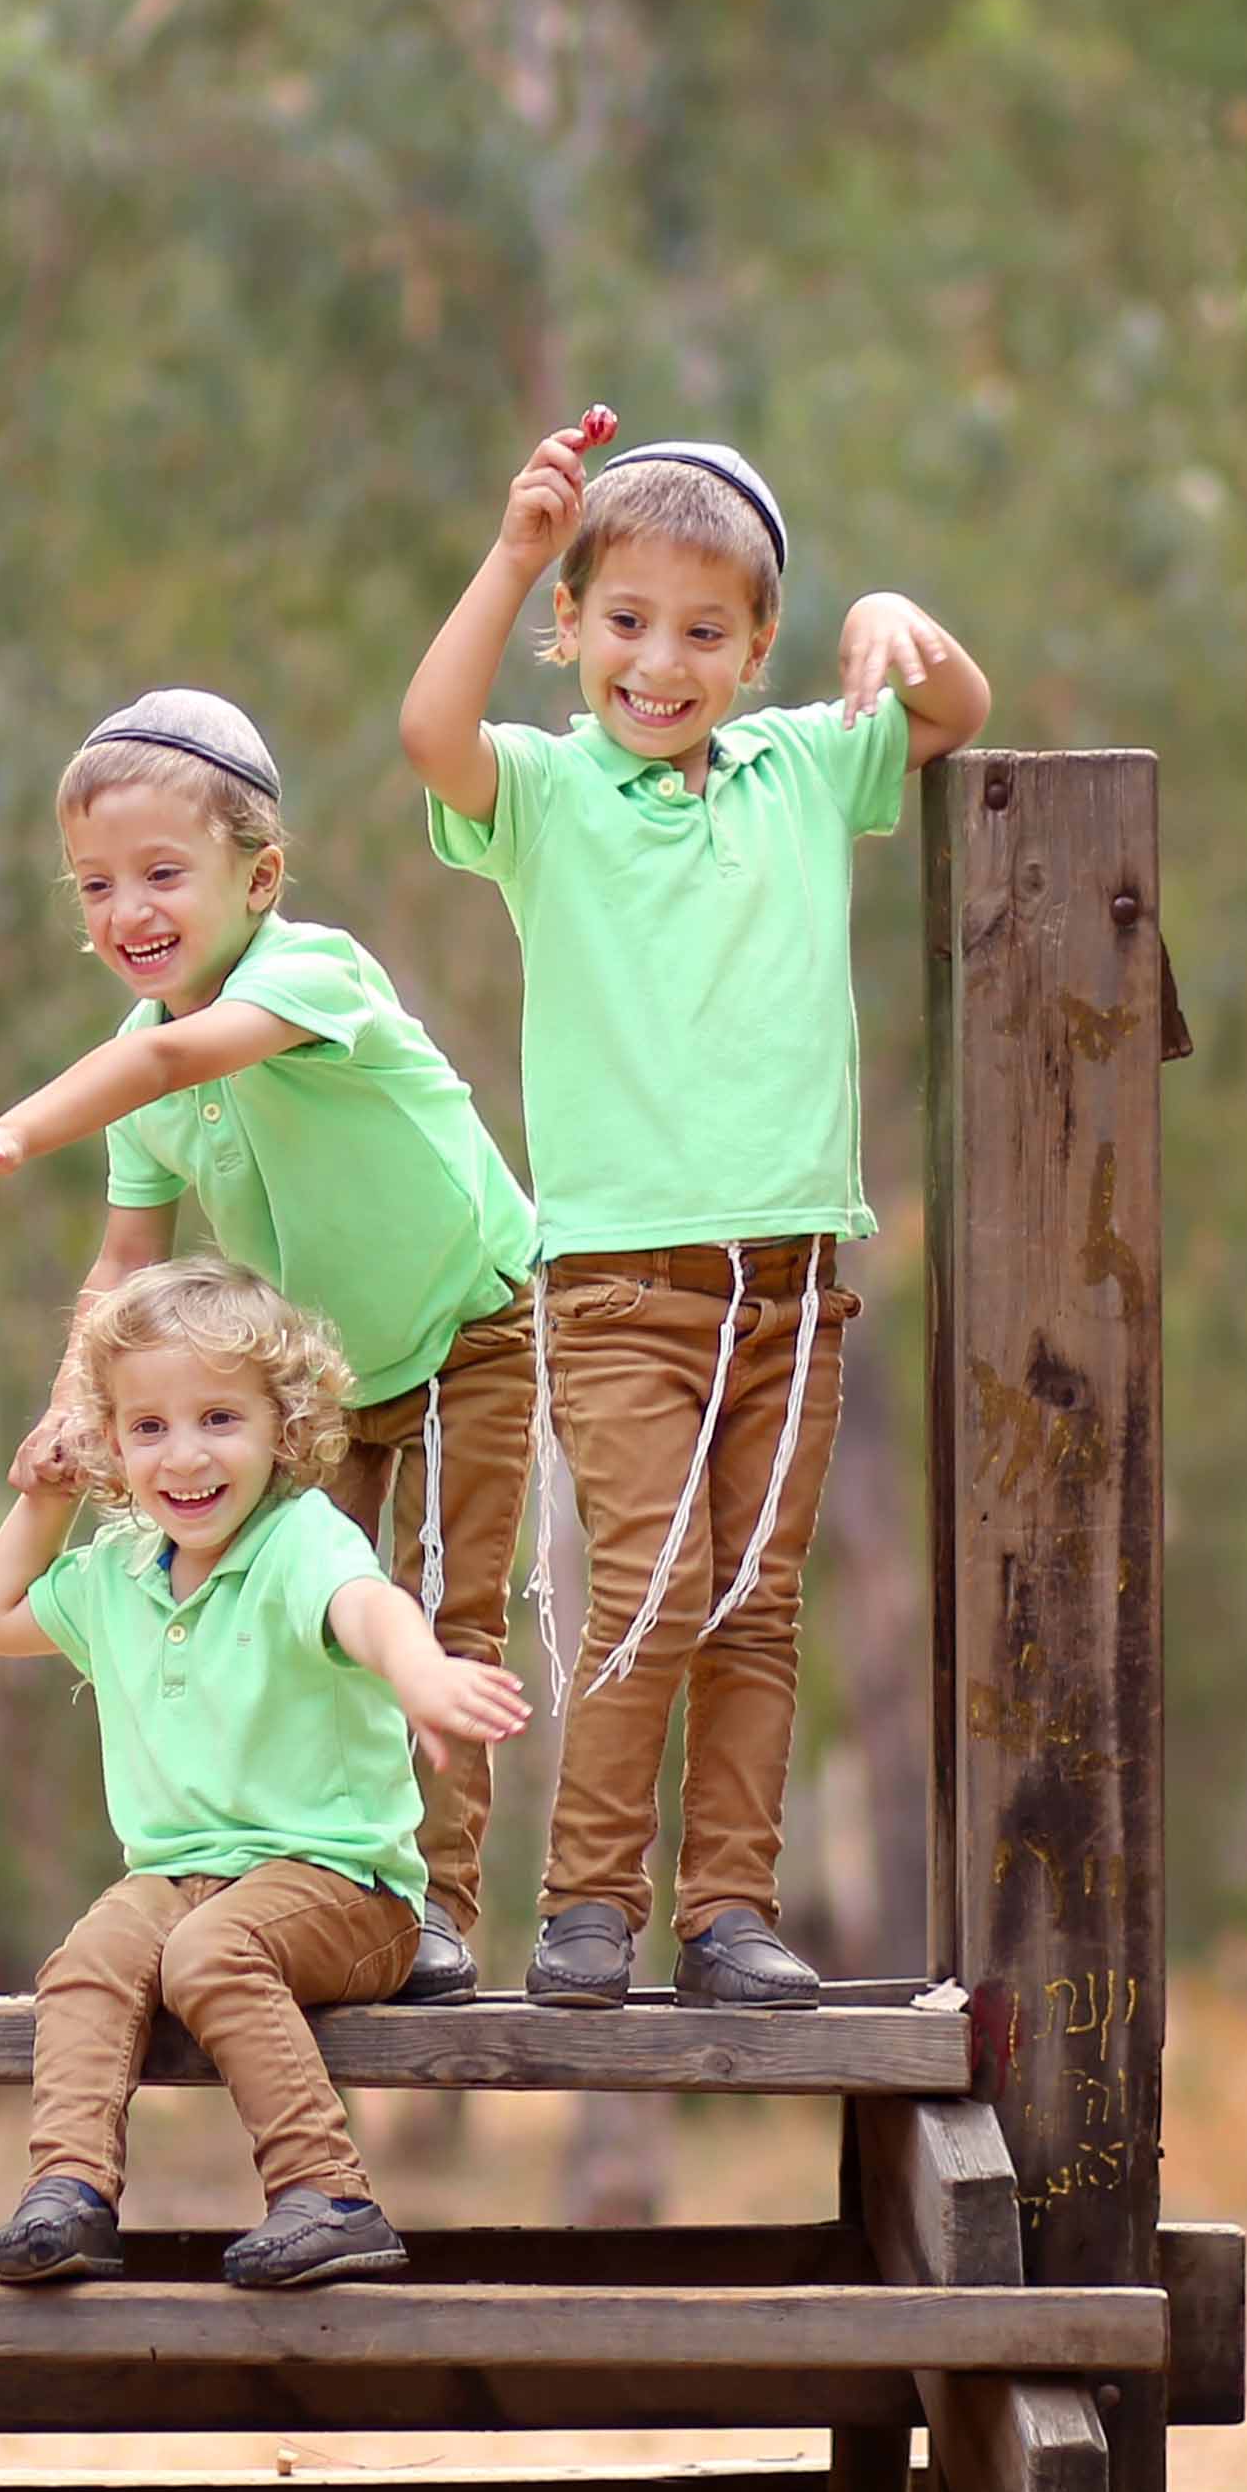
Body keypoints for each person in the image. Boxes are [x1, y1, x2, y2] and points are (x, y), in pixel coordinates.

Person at [399, 411, 993, 2010]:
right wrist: (511, 550)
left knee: (753, 1608)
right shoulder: (545, 794)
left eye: (703, 633)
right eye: (623, 621)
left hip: (789, 1286)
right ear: (570, 627)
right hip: (614, 1286)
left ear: (754, 648)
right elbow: (430, 734)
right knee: (656, 1583)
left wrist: (897, 620)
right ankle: (585, 1903)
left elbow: (954, 709)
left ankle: (728, 1910)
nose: (659, 663)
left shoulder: (802, 764)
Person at [0, 689, 539, 2004]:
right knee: (290, 1614)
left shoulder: (312, 974)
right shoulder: (138, 1071)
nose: (126, 910)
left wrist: (5, 1138)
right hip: (318, 1381)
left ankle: (433, 1911)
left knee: (432, 1609)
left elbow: (174, 1060)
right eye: (95, 885)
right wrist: (73, 1408)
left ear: (259, 878)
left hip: (466, 1330)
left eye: (162, 874)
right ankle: (303, 1886)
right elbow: (124, 1259)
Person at [0, 1257, 531, 2288]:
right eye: (147, 1427)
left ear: (285, 1425)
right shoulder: (120, 1572)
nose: (184, 1455)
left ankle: (329, 2195)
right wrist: (45, 1499)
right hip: (178, 1878)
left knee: (209, 1953)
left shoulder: (298, 1542)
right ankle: (70, 2190)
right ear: (108, 1441)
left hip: (345, 1891)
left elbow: (369, 1608)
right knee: (88, 1960)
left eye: (219, 1419)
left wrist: (418, 1671)